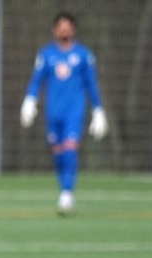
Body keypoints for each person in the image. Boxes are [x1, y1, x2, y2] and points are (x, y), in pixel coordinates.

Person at [20, 11, 108, 215]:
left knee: (70, 149)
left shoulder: (84, 55)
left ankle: (67, 193)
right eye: (61, 27)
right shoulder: (46, 55)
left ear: (74, 29)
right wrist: (29, 100)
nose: (64, 31)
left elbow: (91, 84)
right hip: (53, 113)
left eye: (68, 27)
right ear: (54, 30)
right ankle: (64, 190)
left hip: (74, 112)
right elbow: (37, 80)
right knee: (58, 153)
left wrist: (98, 110)